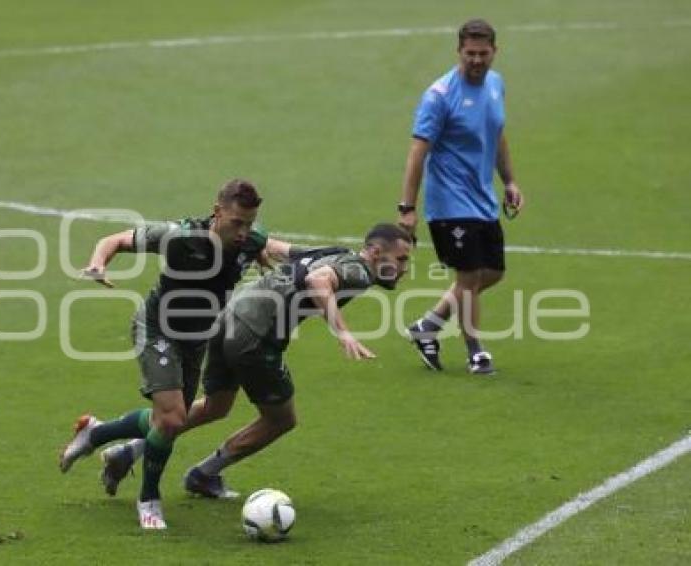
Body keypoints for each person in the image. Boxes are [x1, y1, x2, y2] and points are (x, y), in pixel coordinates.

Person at [101, 223, 412, 501]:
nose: (404, 268)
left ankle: (129, 450)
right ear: (374, 252)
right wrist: (343, 332)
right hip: (255, 335)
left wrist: (257, 245)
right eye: (400, 260)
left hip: (227, 318)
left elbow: (281, 249)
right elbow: (318, 280)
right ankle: (204, 474)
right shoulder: (359, 272)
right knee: (281, 419)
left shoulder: (333, 252)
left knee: (215, 406)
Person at [58, 179, 293, 530]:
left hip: (195, 338)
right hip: (156, 328)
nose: (245, 231)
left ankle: (95, 434)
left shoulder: (250, 240)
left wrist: (316, 258)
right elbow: (115, 240)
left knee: (171, 421)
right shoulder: (179, 236)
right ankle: (148, 500)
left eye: (250, 222)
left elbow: (279, 248)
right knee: (170, 419)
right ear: (217, 212)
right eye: (237, 223)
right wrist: (98, 264)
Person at [397, 18, 524, 375]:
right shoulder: (439, 96)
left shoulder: (496, 86)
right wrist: (407, 208)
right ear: (459, 52)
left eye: (483, 54)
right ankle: (475, 352)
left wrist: (510, 181)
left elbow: (497, 134)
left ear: (495, 52)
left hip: (482, 198)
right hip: (449, 203)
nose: (477, 61)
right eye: (470, 54)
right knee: (468, 278)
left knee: (493, 272)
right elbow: (417, 153)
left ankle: (428, 326)